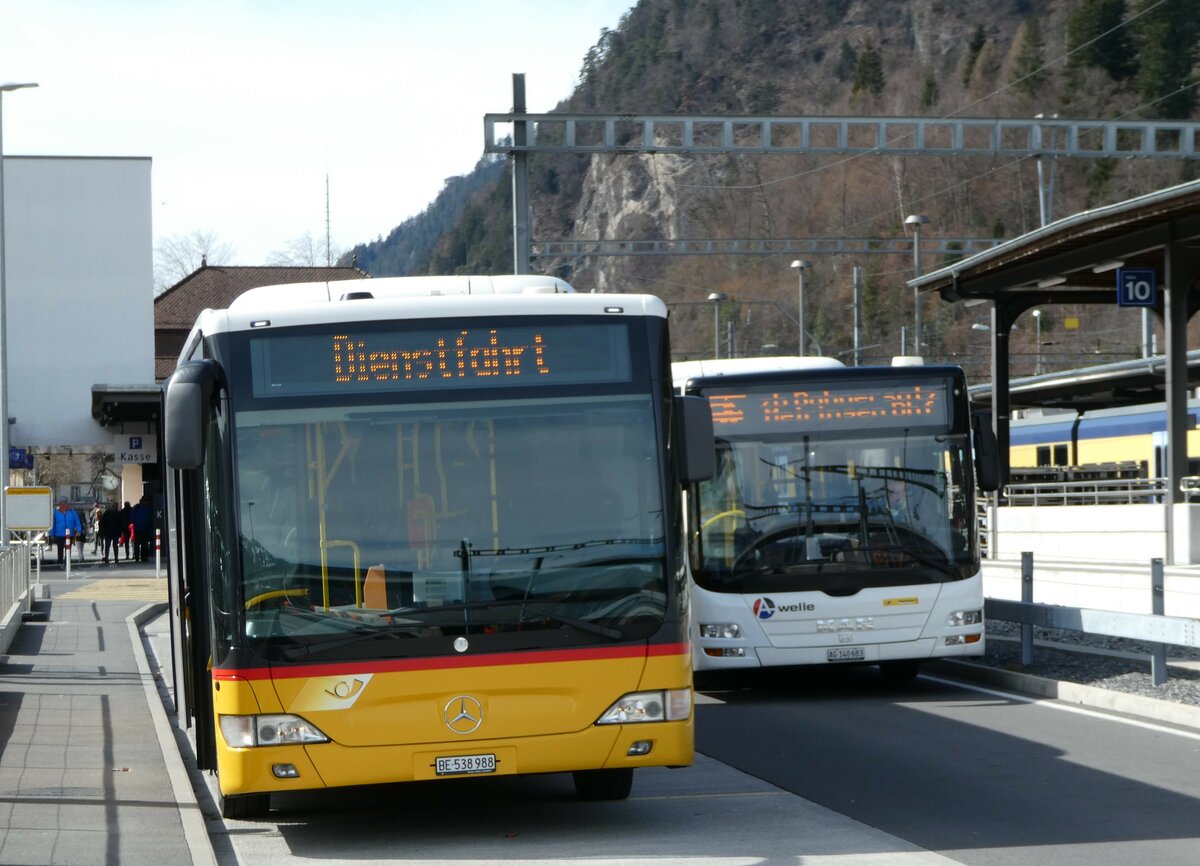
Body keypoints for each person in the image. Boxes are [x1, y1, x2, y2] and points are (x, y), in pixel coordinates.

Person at [49, 497, 83, 569]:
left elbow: (77, 521)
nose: (62, 505)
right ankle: (60, 563)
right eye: (61, 503)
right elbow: (52, 523)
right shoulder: (55, 512)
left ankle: (67, 562)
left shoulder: (72, 511)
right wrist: (51, 533)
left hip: (70, 534)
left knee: (68, 549)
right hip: (59, 534)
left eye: (64, 503)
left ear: (67, 504)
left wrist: (79, 530)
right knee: (60, 549)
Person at [131, 496, 152, 562]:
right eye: (146, 501)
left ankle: (143, 557)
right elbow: (131, 517)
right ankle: (138, 557)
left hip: (144, 528)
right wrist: (136, 523)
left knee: (144, 544)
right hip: (138, 528)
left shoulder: (148, 508)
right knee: (138, 544)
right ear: (142, 501)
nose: (147, 502)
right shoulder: (137, 507)